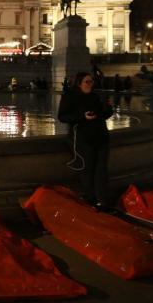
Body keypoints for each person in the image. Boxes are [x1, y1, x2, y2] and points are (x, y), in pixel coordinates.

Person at [57, 72, 112, 210]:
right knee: (87, 169)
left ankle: (101, 200)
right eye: (87, 82)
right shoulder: (69, 97)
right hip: (83, 138)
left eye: (91, 81)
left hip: (101, 136)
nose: (90, 84)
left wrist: (109, 108)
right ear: (79, 83)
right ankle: (90, 198)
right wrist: (82, 116)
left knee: (101, 170)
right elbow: (62, 117)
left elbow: (103, 115)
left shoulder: (95, 96)